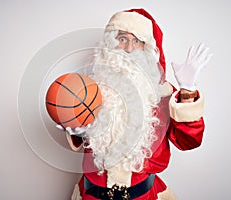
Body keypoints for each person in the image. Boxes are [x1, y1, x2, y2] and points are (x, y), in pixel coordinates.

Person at [60, 8, 211, 200]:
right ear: (110, 43)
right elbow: (82, 136)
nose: (129, 48)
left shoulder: (163, 95)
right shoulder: (90, 90)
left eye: (137, 41)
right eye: (122, 39)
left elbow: (188, 141)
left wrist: (187, 91)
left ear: (148, 48)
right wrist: (78, 131)